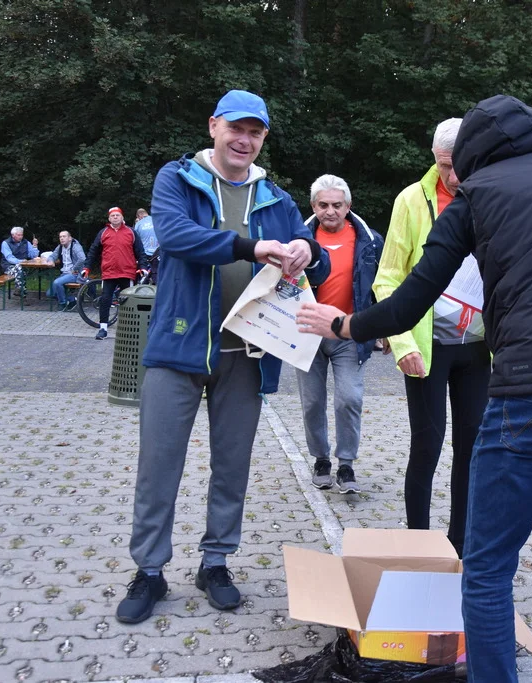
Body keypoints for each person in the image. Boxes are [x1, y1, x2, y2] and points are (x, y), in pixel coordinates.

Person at [298, 94, 532, 683]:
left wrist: (343, 325)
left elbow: (413, 298)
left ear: (472, 158)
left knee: (489, 566)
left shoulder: (479, 194)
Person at [114, 90, 330, 625]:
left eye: (256, 132)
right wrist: (252, 247)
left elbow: (314, 261)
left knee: (231, 468)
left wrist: (309, 250)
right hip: (178, 348)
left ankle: (216, 563)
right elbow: (176, 236)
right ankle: (149, 570)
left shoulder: (275, 198)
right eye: (237, 127)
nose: (245, 139)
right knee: (159, 465)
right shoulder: (178, 179)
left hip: (247, 354)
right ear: (214, 125)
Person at [372, 117, 490, 558]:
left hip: (479, 348)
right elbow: (387, 279)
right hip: (428, 347)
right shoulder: (411, 200)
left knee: (472, 447)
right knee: (428, 442)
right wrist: (402, 343)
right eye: (444, 166)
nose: (454, 176)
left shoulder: (496, 197)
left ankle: (460, 544)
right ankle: (418, 544)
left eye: (462, 165)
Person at [299, 175, 385, 494]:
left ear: (348, 206)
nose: (330, 211)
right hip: (307, 333)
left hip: (350, 333)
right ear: (313, 206)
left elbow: (381, 285)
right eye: (323, 205)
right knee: (311, 402)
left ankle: (346, 463)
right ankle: (321, 458)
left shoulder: (370, 241)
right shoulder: (299, 240)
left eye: (337, 205)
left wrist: (385, 329)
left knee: (349, 398)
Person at [81, 208, 148, 340]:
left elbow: (140, 251)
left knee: (128, 301)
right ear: (109, 219)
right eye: (113, 216)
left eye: (118, 215)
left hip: (127, 272)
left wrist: (143, 266)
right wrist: (87, 267)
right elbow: (93, 251)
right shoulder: (103, 233)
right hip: (109, 273)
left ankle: (130, 329)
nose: (115, 217)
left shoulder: (131, 232)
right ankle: (103, 329)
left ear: (122, 217)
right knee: (105, 299)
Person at [45, 230, 86, 311]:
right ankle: (72, 300)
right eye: (60, 237)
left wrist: (74, 269)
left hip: (75, 274)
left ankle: (62, 303)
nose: (62, 238)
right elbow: (53, 255)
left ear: (70, 238)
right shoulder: (60, 247)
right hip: (64, 273)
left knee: (57, 282)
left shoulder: (75, 246)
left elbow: (82, 258)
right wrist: (50, 261)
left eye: (64, 236)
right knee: (49, 294)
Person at [0, 226, 39, 298]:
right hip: (8, 267)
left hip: (23, 267)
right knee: (20, 269)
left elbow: (33, 255)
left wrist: (35, 246)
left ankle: (19, 290)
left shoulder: (26, 242)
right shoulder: (5, 243)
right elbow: (9, 258)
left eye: (22, 235)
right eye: (19, 235)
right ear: (13, 235)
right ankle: (23, 294)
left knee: (20, 269)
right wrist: (21, 262)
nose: (21, 237)